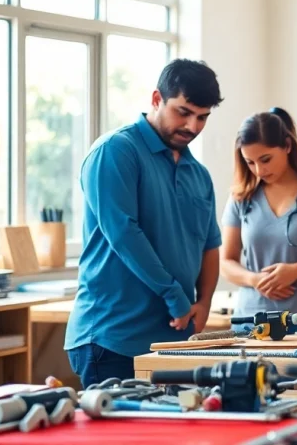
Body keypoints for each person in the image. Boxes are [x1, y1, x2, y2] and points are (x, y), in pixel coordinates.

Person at [65, 59, 224, 388]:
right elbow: (125, 235)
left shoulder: (199, 174)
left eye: (202, 117)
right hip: (113, 338)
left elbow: (210, 244)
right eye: (183, 112)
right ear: (156, 99)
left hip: (173, 342)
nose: (192, 126)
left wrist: (204, 302)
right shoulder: (115, 151)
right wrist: (175, 296)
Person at [219, 108, 297, 337]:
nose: (259, 170)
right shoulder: (241, 196)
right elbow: (226, 262)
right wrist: (255, 279)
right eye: (250, 162)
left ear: (287, 146)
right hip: (252, 322)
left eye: (266, 159)